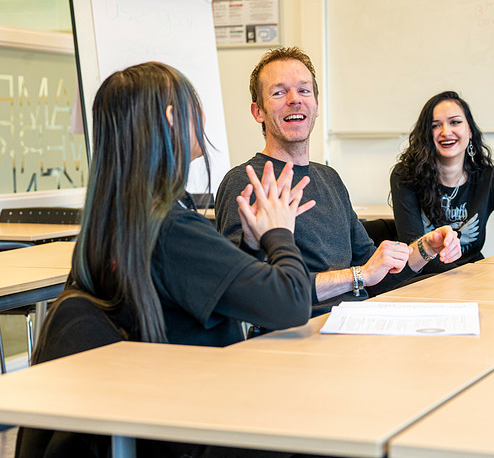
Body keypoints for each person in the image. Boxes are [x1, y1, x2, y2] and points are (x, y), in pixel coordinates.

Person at [16, 61, 314, 457]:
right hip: (195, 426)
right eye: (196, 105)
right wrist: (279, 232)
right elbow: (290, 305)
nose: (204, 117)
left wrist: (251, 247)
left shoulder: (115, 221)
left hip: (155, 420)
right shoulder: (171, 228)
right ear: (174, 118)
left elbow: (195, 297)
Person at [216, 47, 461, 313]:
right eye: (279, 92)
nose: (294, 100)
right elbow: (246, 290)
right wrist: (358, 276)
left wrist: (425, 248)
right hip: (300, 331)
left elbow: (374, 275)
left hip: (357, 321)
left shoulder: (329, 178)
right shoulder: (245, 181)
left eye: (304, 90)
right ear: (258, 112)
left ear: (317, 106)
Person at [390, 91, 494, 274]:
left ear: (470, 130)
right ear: (426, 134)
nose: (446, 132)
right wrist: (465, 280)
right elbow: (414, 250)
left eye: (455, 122)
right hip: (425, 281)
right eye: (435, 126)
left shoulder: (486, 178)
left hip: (471, 279)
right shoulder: (405, 176)